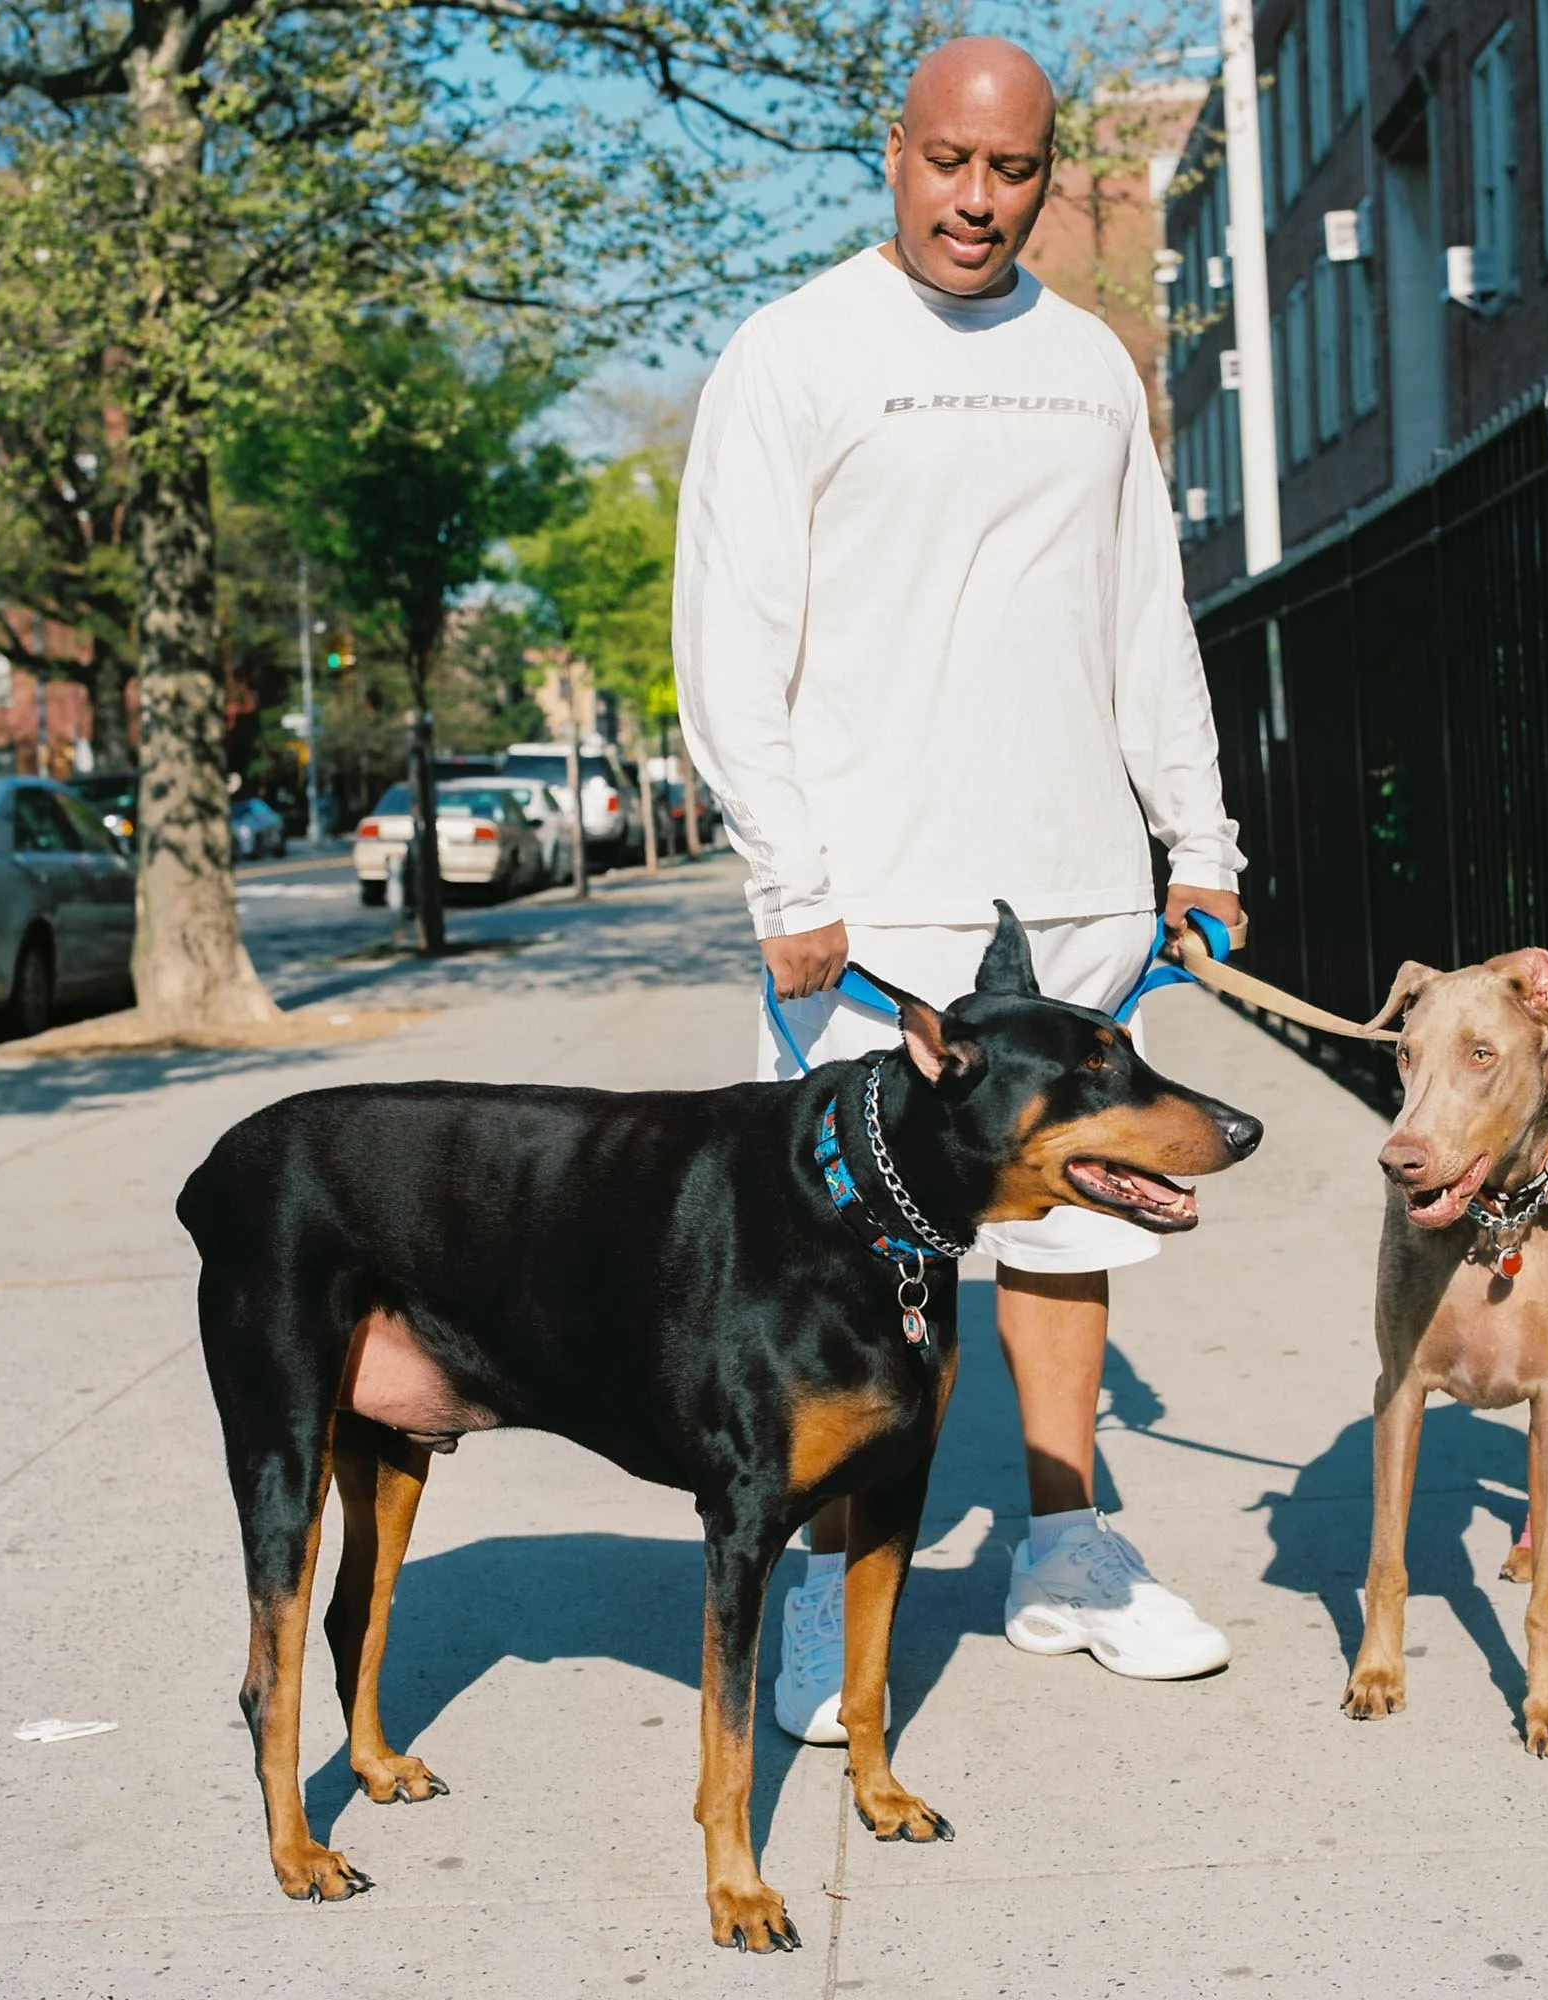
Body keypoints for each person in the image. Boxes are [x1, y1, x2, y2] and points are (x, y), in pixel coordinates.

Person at [673, 33, 1245, 1743]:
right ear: (897, 150)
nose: (979, 203)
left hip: (1072, 868)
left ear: (1052, 172)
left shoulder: (1087, 365)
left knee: (1071, 1222)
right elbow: (729, 637)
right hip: (869, 897)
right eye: (950, 165)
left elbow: (1149, 620)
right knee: (841, 1263)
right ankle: (810, 1590)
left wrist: (1196, 845)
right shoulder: (793, 354)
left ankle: (1063, 1548)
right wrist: (789, 870)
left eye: (1015, 172)